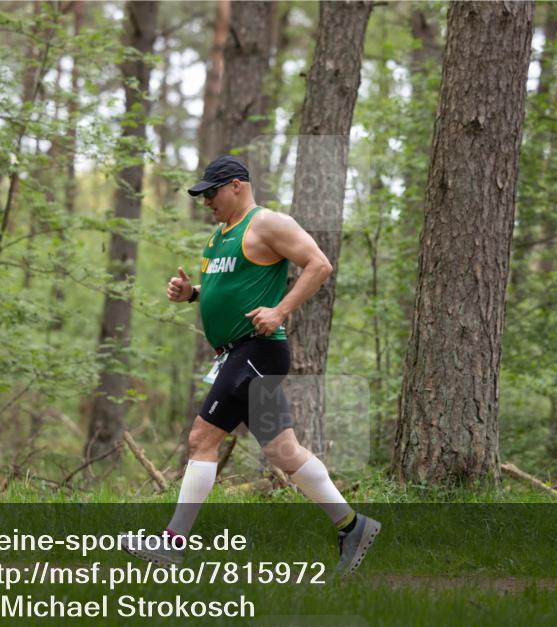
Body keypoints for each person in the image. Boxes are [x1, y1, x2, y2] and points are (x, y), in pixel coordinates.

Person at [122, 155, 380, 576]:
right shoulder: (219, 236)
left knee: (201, 438)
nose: (206, 201)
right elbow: (229, 285)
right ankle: (353, 526)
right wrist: (192, 293)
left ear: (237, 186)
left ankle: (171, 544)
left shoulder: (267, 223)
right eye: (202, 194)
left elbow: (319, 265)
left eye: (212, 192)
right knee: (283, 451)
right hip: (238, 354)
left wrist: (279, 311)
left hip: (257, 351)